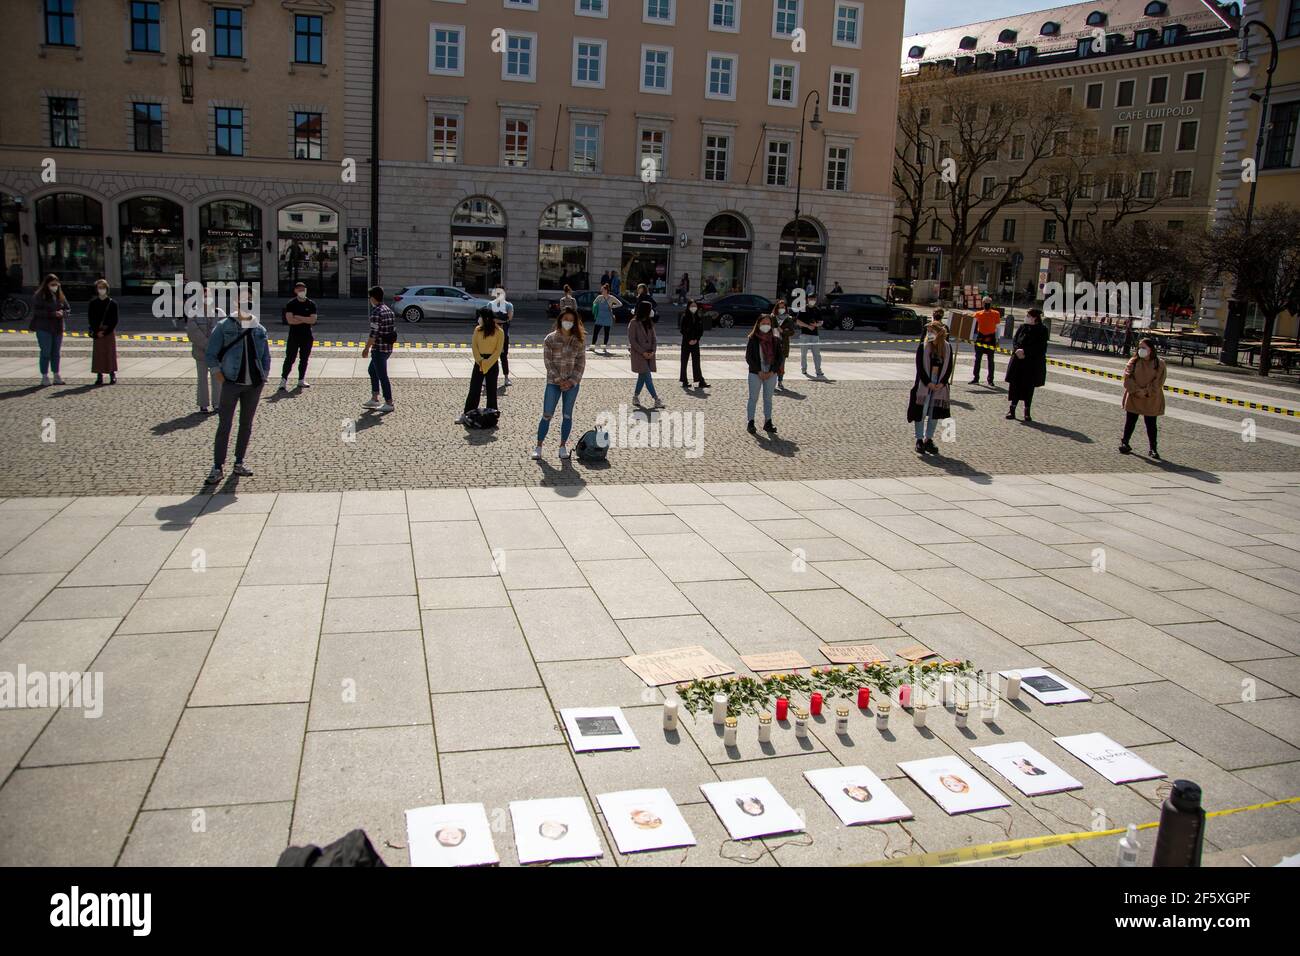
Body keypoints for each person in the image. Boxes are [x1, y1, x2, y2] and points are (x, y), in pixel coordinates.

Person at [204, 293, 271, 484]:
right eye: (243, 301)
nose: (247, 304)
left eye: (250, 301)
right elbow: (211, 354)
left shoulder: (259, 329)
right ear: (236, 303)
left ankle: (239, 462)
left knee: (246, 425)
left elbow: (265, 356)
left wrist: (264, 374)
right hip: (231, 383)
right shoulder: (224, 326)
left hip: (254, 385)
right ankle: (217, 466)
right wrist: (217, 373)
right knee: (224, 425)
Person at [532, 306, 586, 460]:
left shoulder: (579, 340)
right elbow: (548, 363)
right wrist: (559, 380)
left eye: (571, 320)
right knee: (547, 414)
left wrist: (572, 381)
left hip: (571, 385)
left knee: (567, 415)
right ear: (560, 320)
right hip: (553, 383)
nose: (568, 322)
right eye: (565, 319)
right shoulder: (550, 339)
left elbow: (581, 364)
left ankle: (563, 446)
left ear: (575, 322)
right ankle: (539, 446)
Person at [908, 319, 954, 456]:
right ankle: (919, 439)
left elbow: (949, 367)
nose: (929, 333)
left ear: (939, 333)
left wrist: (942, 382)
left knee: (934, 414)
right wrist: (928, 382)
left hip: (940, 383)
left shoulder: (947, 347)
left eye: (931, 331)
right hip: (925, 383)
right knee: (921, 412)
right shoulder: (923, 346)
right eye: (928, 331)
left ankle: (929, 438)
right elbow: (920, 367)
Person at [1120, 336, 1167, 460]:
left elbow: (1158, 382)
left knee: (1151, 424)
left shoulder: (1159, 363)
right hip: (1134, 397)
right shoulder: (1133, 361)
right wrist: (1136, 391)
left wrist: (1146, 392)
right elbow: (1127, 378)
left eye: (1143, 347)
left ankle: (1153, 448)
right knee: (1130, 421)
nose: (1141, 350)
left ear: (1150, 349)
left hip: (1151, 399)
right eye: (1139, 347)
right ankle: (1125, 442)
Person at [458, 306, 503, 423]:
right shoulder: (477, 330)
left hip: (492, 363)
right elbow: (474, 347)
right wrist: (480, 361)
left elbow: (498, 351)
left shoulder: (499, 332)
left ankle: (492, 416)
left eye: (481, 317)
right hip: (479, 362)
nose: (479, 319)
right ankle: (467, 414)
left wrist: (487, 363)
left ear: (486, 318)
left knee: (492, 390)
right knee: (474, 389)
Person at [1005, 307, 1049, 422]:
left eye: (1028, 316)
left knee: (1028, 387)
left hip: (1031, 364)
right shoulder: (1022, 327)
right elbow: (1015, 340)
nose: (1026, 318)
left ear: (1035, 318)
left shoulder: (1042, 330)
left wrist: (1025, 352)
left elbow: (1041, 347)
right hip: (1018, 362)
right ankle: (1012, 409)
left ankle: (1027, 411)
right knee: (1015, 385)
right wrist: (1017, 350)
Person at [362, 286, 396, 412]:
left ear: (372, 297)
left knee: (382, 376)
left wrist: (366, 349)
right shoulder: (388, 310)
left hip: (379, 349)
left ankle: (389, 402)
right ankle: (375, 397)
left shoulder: (376, 312)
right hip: (388, 348)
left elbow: (373, 334)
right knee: (372, 370)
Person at [188, 289, 224, 413]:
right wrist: (208, 346)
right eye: (204, 296)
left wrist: (216, 347)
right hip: (201, 353)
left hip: (216, 354)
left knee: (217, 379)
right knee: (202, 379)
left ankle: (217, 403)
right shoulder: (193, 312)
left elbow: (224, 331)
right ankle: (203, 404)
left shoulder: (219, 312)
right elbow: (193, 332)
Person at [29, 273, 68, 385]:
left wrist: (63, 313)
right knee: (45, 352)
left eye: (56, 284)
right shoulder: (39, 296)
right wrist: (52, 313)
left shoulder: (60, 295)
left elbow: (67, 308)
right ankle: (44, 376)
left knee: (56, 352)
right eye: (52, 284)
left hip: (58, 328)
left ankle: (56, 375)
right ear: (46, 284)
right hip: (44, 328)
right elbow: (37, 311)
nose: (55, 286)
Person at [279, 281, 317, 390]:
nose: (302, 291)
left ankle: (301, 380)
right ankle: (283, 380)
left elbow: (313, 320)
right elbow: (290, 320)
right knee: (290, 358)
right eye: (299, 289)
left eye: (303, 289)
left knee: (304, 359)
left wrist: (298, 317)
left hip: (307, 336)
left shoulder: (311, 304)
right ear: (295, 291)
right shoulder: (291, 304)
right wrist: (305, 319)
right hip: (294, 335)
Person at [745, 314, 779, 435]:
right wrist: (758, 371)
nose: (766, 326)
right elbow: (749, 357)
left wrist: (772, 371)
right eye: (764, 323)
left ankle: (768, 422)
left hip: (771, 372)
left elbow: (779, 358)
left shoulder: (775, 339)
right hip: (755, 372)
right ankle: (750, 422)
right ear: (758, 324)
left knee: (768, 399)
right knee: (753, 398)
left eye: (768, 324)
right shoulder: (753, 338)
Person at [628, 300, 661, 407]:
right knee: (647, 376)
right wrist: (643, 352)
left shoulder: (649, 322)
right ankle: (656, 399)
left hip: (649, 354)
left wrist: (653, 351)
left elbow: (654, 338)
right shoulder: (633, 323)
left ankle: (635, 397)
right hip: (639, 355)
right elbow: (632, 340)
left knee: (642, 377)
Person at [88, 279, 118, 386]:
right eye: (99, 287)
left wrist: (105, 332)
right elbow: (91, 319)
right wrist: (96, 331)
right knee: (98, 354)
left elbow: (114, 320)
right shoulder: (93, 303)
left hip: (108, 331)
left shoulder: (112, 303)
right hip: (97, 331)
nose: (102, 290)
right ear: (96, 289)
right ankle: (99, 376)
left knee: (110, 353)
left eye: (103, 287)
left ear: (107, 289)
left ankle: (112, 374)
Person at [678, 297, 708, 389]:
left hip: (695, 342)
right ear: (688, 307)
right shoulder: (684, 316)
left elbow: (701, 330)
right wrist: (689, 340)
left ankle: (700, 380)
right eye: (692, 306)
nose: (693, 307)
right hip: (686, 342)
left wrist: (696, 339)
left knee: (696, 362)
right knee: (684, 362)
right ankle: (684, 380)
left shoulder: (698, 317)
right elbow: (682, 330)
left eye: (695, 306)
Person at [970, 295, 1001, 386]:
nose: (987, 304)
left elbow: (998, 327)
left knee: (990, 359)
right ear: (983, 303)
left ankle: (990, 379)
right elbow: (971, 321)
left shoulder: (996, 313)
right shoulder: (978, 313)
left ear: (991, 304)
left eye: (988, 303)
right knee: (977, 359)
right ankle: (976, 378)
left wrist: (997, 339)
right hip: (980, 337)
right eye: (985, 303)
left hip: (991, 337)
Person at [797, 293, 825, 378]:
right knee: (803, 353)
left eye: (814, 299)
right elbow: (798, 321)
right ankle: (804, 368)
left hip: (815, 335)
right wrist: (808, 326)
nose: (812, 301)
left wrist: (816, 325)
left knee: (817, 354)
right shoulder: (803, 309)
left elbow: (821, 322)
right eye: (810, 299)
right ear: (807, 299)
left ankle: (818, 370)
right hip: (804, 334)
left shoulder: (817, 309)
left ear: (815, 300)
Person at [590, 282, 622, 353]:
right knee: (595, 332)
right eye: (601, 290)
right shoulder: (599, 297)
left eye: (602, 290)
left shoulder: (611, 298)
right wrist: (596, 305)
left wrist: (612, 306)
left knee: (606, 333)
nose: (601, 291)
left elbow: (620, 304)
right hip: (599, 317)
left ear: (606, 290)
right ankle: (592, 347)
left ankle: (604, 347)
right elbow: (594, 303)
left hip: (608, 317)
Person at [492, 287, 514, 386]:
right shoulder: (491, 305)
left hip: (504, 335)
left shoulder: (509, 305)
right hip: (492, 335)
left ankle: (506, 377)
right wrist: (502, 320)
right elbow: (489, 319)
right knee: (490, 356)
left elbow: (509, 318)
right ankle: (486, 377)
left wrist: (497, 320)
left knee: (503, 356)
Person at [772, 299, 795, 390]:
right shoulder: (772, 317)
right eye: (779, 307)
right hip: (773, 345)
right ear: (776, 308)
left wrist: (783, 332)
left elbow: (792, 332)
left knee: (781, 365)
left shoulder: (788, 319)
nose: (781, 309)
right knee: (772, 364)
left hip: (783, 345)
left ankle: (780, 381)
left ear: (785, 308)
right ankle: (771, 382)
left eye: (783, 307)